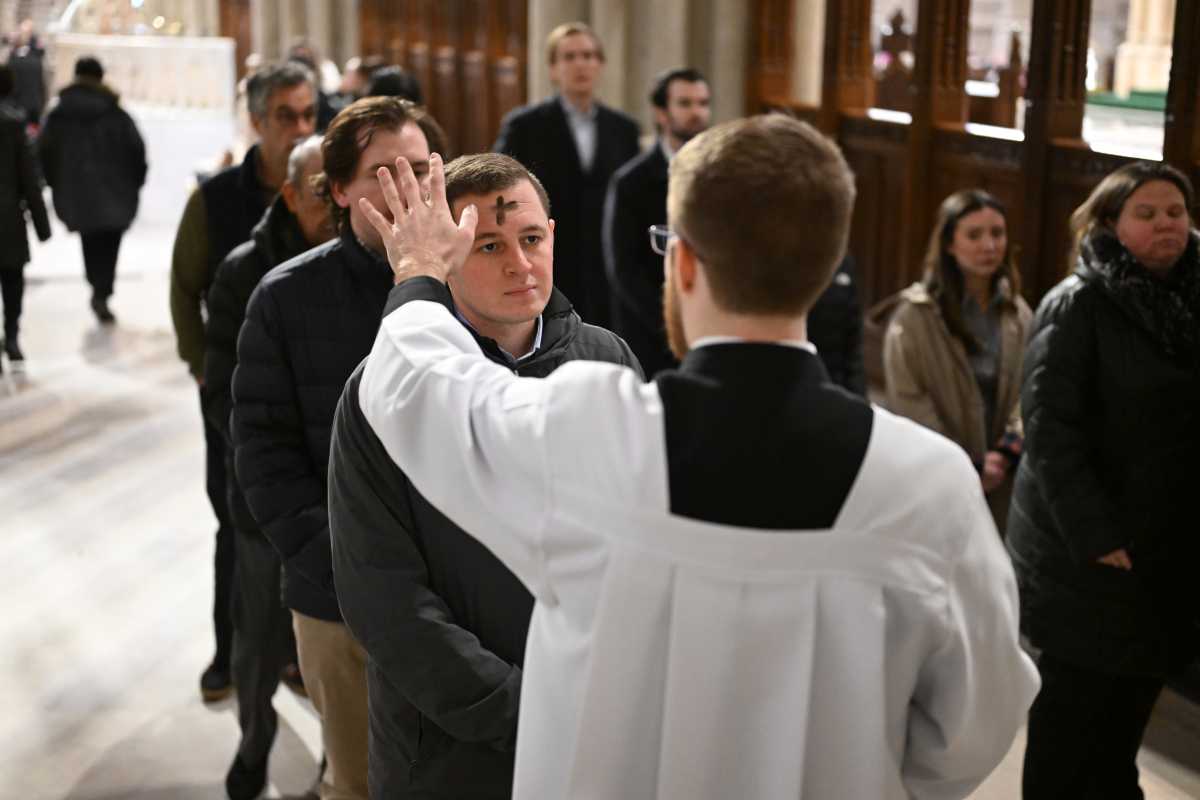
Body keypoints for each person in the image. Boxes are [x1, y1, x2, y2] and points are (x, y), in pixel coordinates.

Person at [353, 114, 1039, 799]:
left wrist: (417, 273)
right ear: (829, 266)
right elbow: (979, 720)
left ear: (680, 262)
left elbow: (420, 390)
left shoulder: (592, 435)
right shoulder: (929, 483)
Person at [328, 152, 641, 799]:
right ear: (444, 259)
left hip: (594, 732)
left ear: (553, 235)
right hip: (448, 750)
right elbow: (385, 598)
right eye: (489, 245)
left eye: (530, 239)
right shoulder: (386, 390)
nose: (520, 264)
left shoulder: (609, 363)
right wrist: (524, 712)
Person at [232, 96, 447, 800]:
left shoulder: (472, 287)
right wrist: (343, 566)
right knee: (356, 783)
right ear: (342, 189)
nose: (406, 187)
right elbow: (264, 456)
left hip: (457, 599)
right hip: (336, 600)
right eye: (384, 173)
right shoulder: (286, 297)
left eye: (418, 168)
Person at [1009, 161, 1200, 800]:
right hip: (1087, 554)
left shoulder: (1192, 297)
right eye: (1145, 214)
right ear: (1112, 225)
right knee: (1072, 720)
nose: (1165, 224)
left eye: (1174, 211)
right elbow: (1049, 427)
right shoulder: (1079, 302)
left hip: (1163, 551)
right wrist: (1095, 533)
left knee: (1125, 716)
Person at [170, 60, 316, 704]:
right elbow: (184, 286)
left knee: (300, 527)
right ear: (257, 121)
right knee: (236, 528)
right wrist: (198, 361)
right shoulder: (218, 198)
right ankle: (228, 653)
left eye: (310, 114)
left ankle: (290, 653)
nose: (301, 127)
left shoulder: (323, 187)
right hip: (230, 399)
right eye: (286, 116)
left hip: (302, 398)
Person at [204, 135, 333, 800]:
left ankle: (331, 765)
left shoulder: (361, 271)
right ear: (289, 194)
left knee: (333, 651)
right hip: (264, 502)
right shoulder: (243, 272)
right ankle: (254, 743)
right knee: (256, 637)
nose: (331, 202)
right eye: (318, 189)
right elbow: (223, 396)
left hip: (340, 504)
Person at [882, 190, 1031, 527]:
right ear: (950, 244)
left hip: (1001, 475)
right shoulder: (916, 315)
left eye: (997, 233)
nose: (989, 245)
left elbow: (1029, 392)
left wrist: (1003, 456)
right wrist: (966, 465)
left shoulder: (1017, 313)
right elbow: (909, 400)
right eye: (974, 235)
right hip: (936, 472)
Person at [494, 21, 639, 328]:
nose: (580, 64)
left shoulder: (623, 129)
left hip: (605, 266)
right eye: (569, 57)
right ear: (553, 68)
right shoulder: (524, 126)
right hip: (550, 257)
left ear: (600, 65)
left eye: (588, 55)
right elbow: (501, 188)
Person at [603, 67, 711, 377]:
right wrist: (672, 322)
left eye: (703, 103)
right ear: (661, 113)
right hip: (650, 335)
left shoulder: (720, 177)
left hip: (707, 329)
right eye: (685, 103)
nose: (697, 112)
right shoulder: (630, 183)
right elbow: (623, 268)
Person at [37, 55, 146, 325]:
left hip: (76, 191)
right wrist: (135, 182)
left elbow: (43, 152)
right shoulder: (116, 113)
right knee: (110, 243)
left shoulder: (58, 115)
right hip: (116, 190)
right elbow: (136, 151)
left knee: (90, 239)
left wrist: (55, 182)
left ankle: (97, 287)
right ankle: (103, 290)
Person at [0, 63, 50, 372]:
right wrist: (42, 224)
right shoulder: (14, 124)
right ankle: (13, 335)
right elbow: (29, 178)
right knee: (12, 279)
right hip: (8, 217)